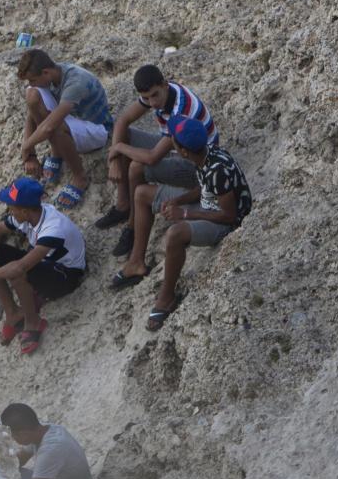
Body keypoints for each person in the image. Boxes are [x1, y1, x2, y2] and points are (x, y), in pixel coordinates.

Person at [114, 115, 252, 331]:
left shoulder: (218, 169)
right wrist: (178, 200)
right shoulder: (204, 155)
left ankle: (166, 297)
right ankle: (136, 262)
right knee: (141, 194)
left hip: (222, 222)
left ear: (183, 151)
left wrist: (185, 215)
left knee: (175, 234)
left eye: (174, 141)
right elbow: (204, 188)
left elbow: (229, 216)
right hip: (208, 205)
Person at [97, 64, 219, 262]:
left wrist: (117, 149)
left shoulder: (182, 109)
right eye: (146, 98)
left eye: (155, 95)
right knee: (124, 136)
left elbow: (153, 157)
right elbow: (122, 120)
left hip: (195, 162)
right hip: (174, 147)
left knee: (137, 165)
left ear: (164, 84)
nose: (151, 103)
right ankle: (123, 205)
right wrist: (115, 160)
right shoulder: (161, 94)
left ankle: (132, 226)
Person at [0, 177, 85, 355]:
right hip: (44, 263)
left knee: (16, 273)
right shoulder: (25, 217)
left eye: (12, 207)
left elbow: (19, 268)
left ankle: (33, 322)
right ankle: (13, 313)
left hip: (65, 275)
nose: (9, 210)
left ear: (23, 210)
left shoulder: (52, 228)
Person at [17, 49, 112, 209]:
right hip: (71, 116)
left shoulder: (75, 82)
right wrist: (30, 153)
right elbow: (31, 112)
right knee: (32, 95)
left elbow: (49, 127)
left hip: (97, 128)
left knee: (56, 127)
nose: (30, 83)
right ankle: (57, 150)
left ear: (45, 72)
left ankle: (80, 177)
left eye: (32, 79)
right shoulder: (53, 74)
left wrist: (26, 147)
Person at [0, 403, 93, 479]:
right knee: (10, 475)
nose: (13, 439)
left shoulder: (51, 449)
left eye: (13, 436)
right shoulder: (41, 430)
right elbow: (19, 461)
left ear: (24, 434)